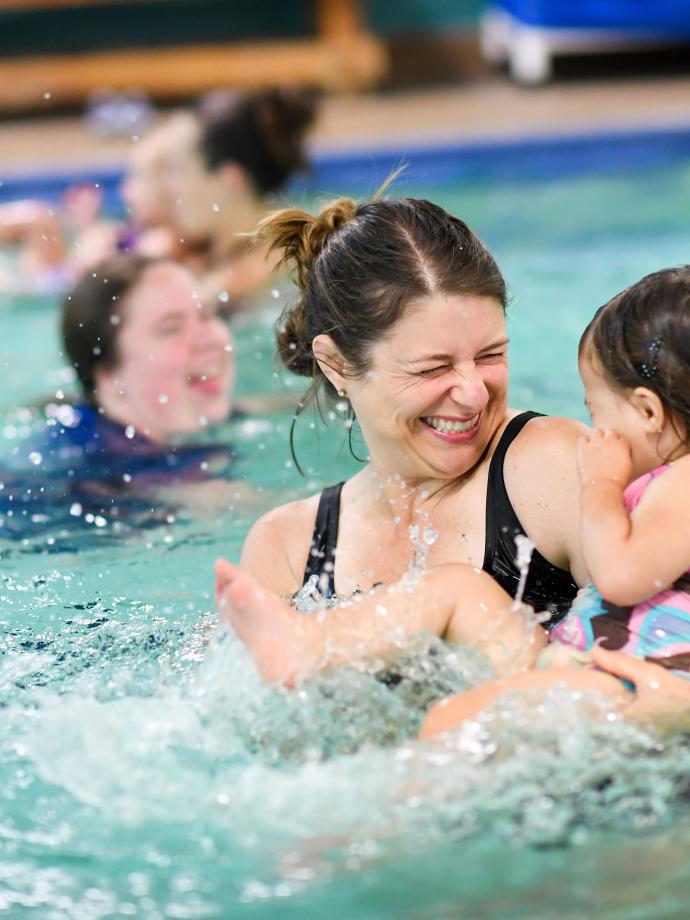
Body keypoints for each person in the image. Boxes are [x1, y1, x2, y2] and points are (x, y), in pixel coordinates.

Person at [217, 266, 690, 736]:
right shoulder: (285, 546)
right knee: (456, 591)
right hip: (550, 692)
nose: (472, 393)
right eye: (433, 368)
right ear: (337, 365)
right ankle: (315, 645)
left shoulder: (556, 466)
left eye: (491, 355)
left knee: (450, 719)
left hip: (617, 706)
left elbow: (629, 589)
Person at [1, 253, 236, 536]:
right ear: (110, 377)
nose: (208, 339)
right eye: (171, 329)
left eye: (207, 315)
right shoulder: (104, 473)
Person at [162, 87, 317, 309]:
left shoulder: (265, 273)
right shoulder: (217, 255)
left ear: (229, 179)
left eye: (180, 172)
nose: (170, 190)